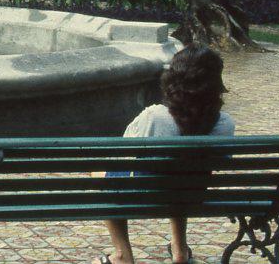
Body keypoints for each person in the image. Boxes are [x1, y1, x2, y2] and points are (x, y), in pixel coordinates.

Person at [92, 45, 234, 264]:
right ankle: (179, 251)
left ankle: (122, 255)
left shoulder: (154, 116)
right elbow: (223, 162)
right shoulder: (224, 124)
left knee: (100, 173)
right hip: (192, 195)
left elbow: (123, 150)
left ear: (173, 79)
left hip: (147, 194)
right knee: (181, 179)